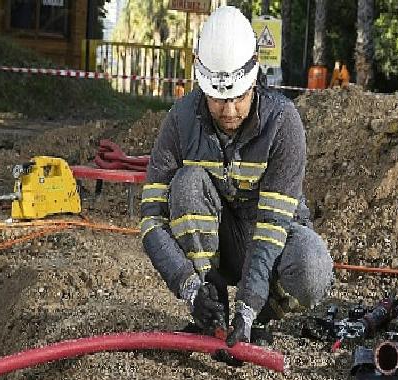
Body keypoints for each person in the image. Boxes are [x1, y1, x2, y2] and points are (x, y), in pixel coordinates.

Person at [139, 6, 333, 348]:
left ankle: (259, 318)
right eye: (217, 99)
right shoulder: (180, 120)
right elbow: (151, 221)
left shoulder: (283, 123)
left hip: (268, 245)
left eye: (239, 97)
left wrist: (247, 312)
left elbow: (271, 230)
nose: (229, 112)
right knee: (186, 183)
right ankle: (211, 307)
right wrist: (190, 288)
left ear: (254, 76)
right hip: (217, 247)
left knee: (313, 266)